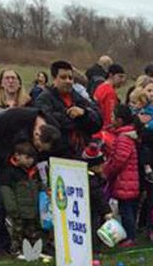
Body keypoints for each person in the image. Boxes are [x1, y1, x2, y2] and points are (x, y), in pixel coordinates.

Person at [0, 107, 61, 255]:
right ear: (36, 135)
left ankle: (30, 243)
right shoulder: (15, 120)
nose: (40, 152)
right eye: (39, 147)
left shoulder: (51, 126)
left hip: (18, 162)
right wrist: (3, 161)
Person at [34, 60, 102, 156]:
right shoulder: (43, 99)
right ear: (54, 78)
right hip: (57, 155)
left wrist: (84, 114)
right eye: (63, 77)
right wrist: (76, 118)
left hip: (81, 153)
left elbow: (98, 121)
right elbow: (51, 124)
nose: (68, 81)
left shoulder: (78, 97)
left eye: (70, 78)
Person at [104, 105, 141, 245]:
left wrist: (108, 169)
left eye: (113, 117)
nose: (111, 119)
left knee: (126, 209)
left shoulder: (123, 138)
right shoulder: (126, 135)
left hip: (125, 179)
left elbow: (119, 159)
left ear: (120, 120)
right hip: (129, 179)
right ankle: (130, 234)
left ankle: (129, 236)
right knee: (128, 208)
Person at [0, 141, 44, 256]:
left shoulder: (34, 171)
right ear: (17, 155)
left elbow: (39, 186)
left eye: (32, 158)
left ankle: (35, 251)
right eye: (27, 157)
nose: (30, 161)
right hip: (18, 210)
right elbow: (6, 191)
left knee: (33, 231)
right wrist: (12, 208)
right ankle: (15, 251)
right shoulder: (9, 172)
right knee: (17, 232)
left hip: (33, 209)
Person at [94, 63, 126, 129]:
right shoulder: (110, 92)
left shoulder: (100, 87)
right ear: (111, 75)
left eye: (123, 77)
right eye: (120, 76)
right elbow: (110, 116)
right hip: (105, 129)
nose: (122, 80)